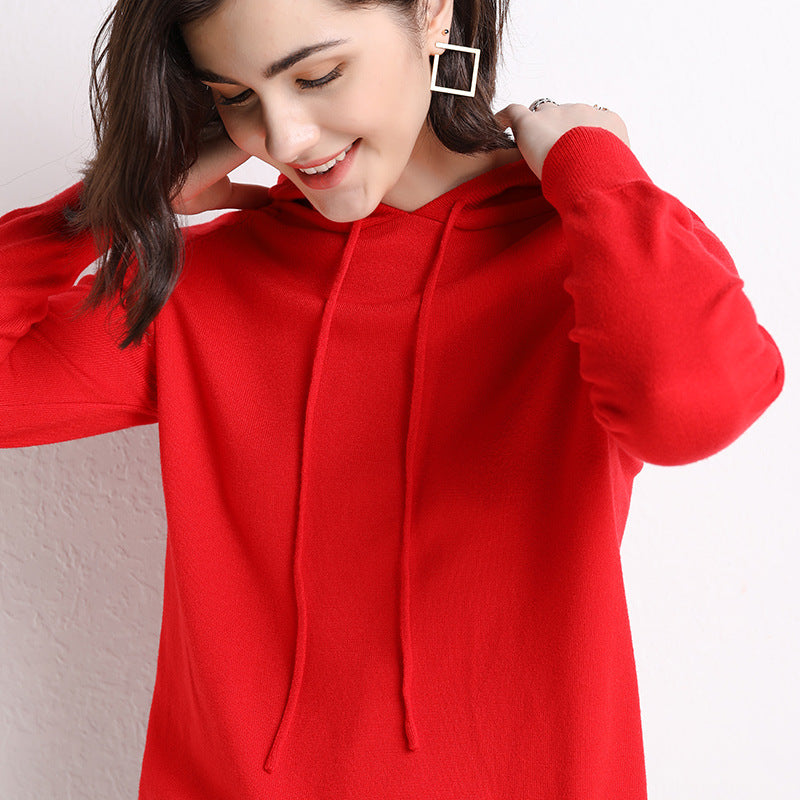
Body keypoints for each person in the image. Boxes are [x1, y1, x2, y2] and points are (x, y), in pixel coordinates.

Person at [0, 0, 784, 798]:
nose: (283, 140)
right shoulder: (201, 287)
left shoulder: (589, 245)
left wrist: (595, 168)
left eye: (318, 75)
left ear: (435, 14)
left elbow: (693, 411)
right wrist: (111, 208)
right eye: (236, 97)